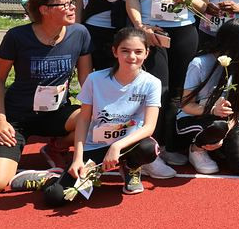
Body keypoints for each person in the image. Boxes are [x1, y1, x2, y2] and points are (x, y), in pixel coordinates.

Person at [0, 0, 92, 196]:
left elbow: (86, 79)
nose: (72, 7)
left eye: (72, 2)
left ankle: (57, 145)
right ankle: (38, 176)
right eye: (65, 4)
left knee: (98, 118)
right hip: (16, 117)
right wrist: (0, 120)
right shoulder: (17, 36)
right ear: (44, 9)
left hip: (58, 113)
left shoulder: (79, 33)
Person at [125, 0, 210, 167]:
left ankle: (171, 145)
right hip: (152, 32)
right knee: (155, 91)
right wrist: (142, 28)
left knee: (177, 92)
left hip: (184, 31)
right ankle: (150, 150)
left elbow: (202, 5)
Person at [37, 27, 162, 205]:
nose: (132, 57)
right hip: (95, 146)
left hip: (127, 146)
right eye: (125, 51)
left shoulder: (152, 83)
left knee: (149, 148)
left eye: (138, 51)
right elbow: (84, 120)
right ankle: (48, 178)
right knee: (56, 197)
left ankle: (131, 167)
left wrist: (117, 146)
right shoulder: (95, 79)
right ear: (114, 51)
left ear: (147, 53)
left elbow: (149, 127)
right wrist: (78, 158)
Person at [174, 20, 239, 175]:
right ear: (238, 43)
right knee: (218, 127)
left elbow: (237, 108)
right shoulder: (199, 63)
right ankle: (196, 149)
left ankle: (216, 146)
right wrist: (213, 110)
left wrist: (227, 131)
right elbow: (186, 105)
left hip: (225, 120)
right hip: (194, 117)